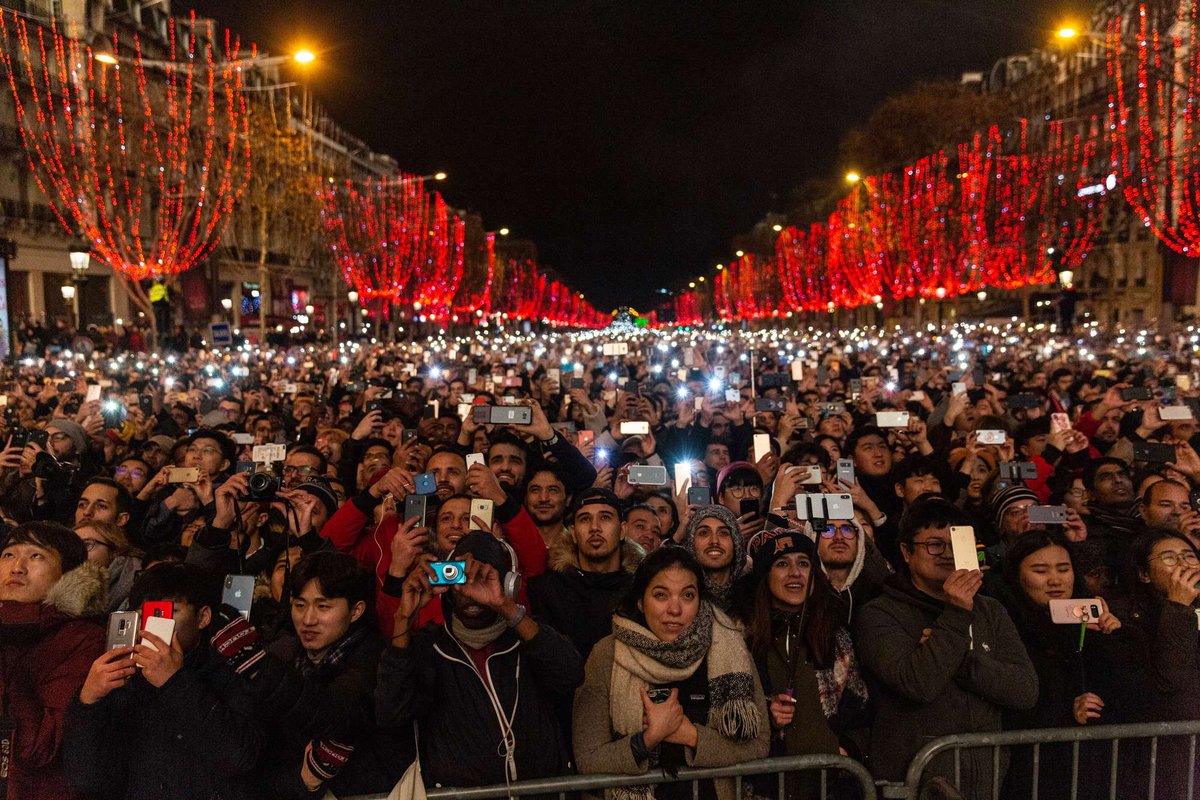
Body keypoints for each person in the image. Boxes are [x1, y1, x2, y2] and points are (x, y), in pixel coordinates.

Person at [855, 497, 1039, 797]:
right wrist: (955, 613)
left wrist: (964, 663)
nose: (948, 554)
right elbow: (918, 683)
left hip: (986, 776)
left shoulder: (990, 610)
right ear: (905, 551)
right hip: (913, 781)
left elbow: (1025, 690)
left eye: (956, 542)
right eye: (934, 545)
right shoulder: (879, 613)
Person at [377, 531, 583, 787]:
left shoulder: (528, 635)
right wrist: (403, 618)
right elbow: (391, 714)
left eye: (483, 578)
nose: (471, 592)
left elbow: (571, 674)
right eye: (461, 576)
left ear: (509, 583)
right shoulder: (429, 645)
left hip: (541, 791)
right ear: (447, 584)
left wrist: (505, 606)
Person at [573, 547, 769, 800]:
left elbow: (759, 743)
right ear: (641, 602)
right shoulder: (607, 654)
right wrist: (648, 739)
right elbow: (588, 758)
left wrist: (692, 736)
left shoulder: (729, 646)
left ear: (700, 601)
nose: (674, 609)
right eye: (661, 595)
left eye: (687, 595)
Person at [212, 551, 409, 799]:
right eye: (299, 605)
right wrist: (302, 780)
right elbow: (258, 761)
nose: (308, 619)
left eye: (323, 606)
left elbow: (334, 712)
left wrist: (259, 670)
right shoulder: (282, 653)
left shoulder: (376, 658)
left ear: (356, 610)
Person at [65, 562, 264, 799]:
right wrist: (89, 702)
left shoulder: (233, 667)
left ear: (203, 617)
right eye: (143, 615)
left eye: (166, 613)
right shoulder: (124, 677)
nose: (153, 626)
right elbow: (87, 779)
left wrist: (175, 681)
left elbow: (237, 757)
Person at [999, 530, 1132, 800]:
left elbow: (1128, 693)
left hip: (1097, 771)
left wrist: (1113, 637)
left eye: (1064, 569)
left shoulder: (1093, 622)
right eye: (1040, 570)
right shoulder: (1006, 626)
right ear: (1016, 575)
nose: (1055, 580)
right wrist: (1064, 712)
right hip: (1036, 772)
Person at [742, 527, 869, 797]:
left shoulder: (837, 635)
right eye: (782, 564)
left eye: (803, 563)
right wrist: (767, 714)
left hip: (831, 785)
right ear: (766, 577)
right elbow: (733, 712)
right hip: (770, 785)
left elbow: (861, 705)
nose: (795, 573)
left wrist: (846, 749)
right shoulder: (745, 639)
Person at [0, 522, 105, 800]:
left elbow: (38, 747)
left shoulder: (82, 639)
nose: (17, 567)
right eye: (8, 555)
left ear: (68, 576)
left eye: (36, 556)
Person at [529, 487, 639, 660]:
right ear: (573, 533)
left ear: (622, 530)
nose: (595, 527)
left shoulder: (640, 591)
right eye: (584, 519)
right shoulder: (546, 590)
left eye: (605, 517)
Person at [679, 504, 746, 615]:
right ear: (691, 543)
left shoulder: (754, 596)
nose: (714, 541)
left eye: (723, 533)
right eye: (704, 533)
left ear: (736, 542)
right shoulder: (681, 595)